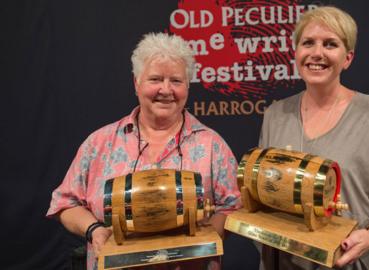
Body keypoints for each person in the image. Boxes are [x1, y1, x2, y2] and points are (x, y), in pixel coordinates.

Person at [46, 32, 241, 270]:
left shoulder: (212, 146)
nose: (166, 90)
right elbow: (64, 202)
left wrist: (206, 240)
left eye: (176, 81)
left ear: (188, 86)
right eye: (155, 79)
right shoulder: (99, 143)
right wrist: (94, 230)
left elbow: (233, 205)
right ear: (136, 83)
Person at [258, 6, 369, 270]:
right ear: (296, 53)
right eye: (308, 43)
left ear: (347, 58)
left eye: (330, 44)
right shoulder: (276, 115)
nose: (317, 53)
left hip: (353, 263)